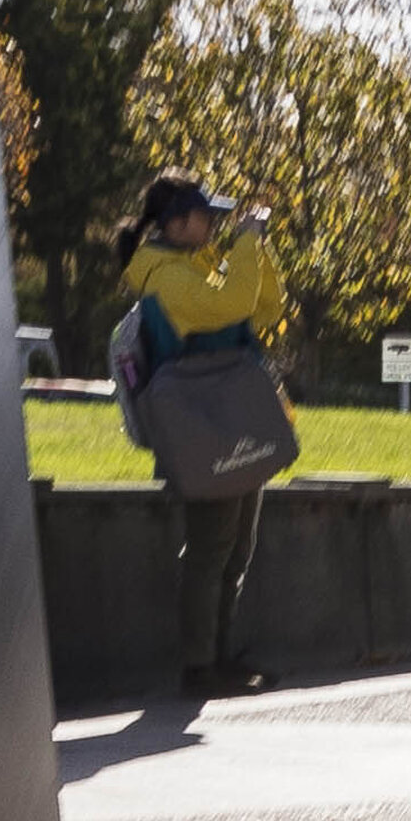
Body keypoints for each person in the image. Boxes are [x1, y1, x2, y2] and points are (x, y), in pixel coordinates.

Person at [112, 171, 292, 695]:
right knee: (211, 545)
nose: (214, 222)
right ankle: (199, 666)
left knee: (238, 545)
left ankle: (221, 655)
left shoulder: (203, 265)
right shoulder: (165, 278)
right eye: (205, 214)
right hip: (200, 425)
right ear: (176, 222)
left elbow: (264, 308)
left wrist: (253, 251)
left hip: (231, 411)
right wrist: (247, 243)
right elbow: (230, 306)